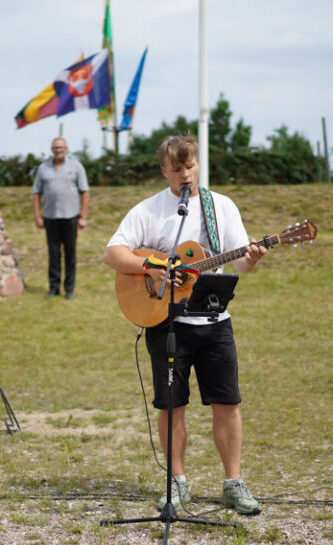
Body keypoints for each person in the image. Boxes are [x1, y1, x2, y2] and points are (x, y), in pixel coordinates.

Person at [103, 134, 267, 515]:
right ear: (164, 171)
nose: (185, 175)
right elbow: (113, 254)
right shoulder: (148, 211)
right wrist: (154, 267)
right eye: (177, 169)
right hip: (167, 323)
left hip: (214, 321)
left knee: (227, 402)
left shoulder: (220, 207)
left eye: (190, 166)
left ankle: (233, 482)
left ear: (198, 165)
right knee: (172, 405)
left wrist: (253, 259)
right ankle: (176, 481)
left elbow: (240, 262)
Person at [31, 137, 90, 299]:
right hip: (50, 217)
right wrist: (37, 216)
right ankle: (54, 288)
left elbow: (85, 192)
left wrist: (82, 216)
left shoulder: (76, 167)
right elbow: (36, 193)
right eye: (56, 148)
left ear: (67, 149)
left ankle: (69, 289)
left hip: (70, 217)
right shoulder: (43, 168)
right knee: (54, 254)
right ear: (52, 150)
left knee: (70, 254)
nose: (58, 150)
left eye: (61, 147)